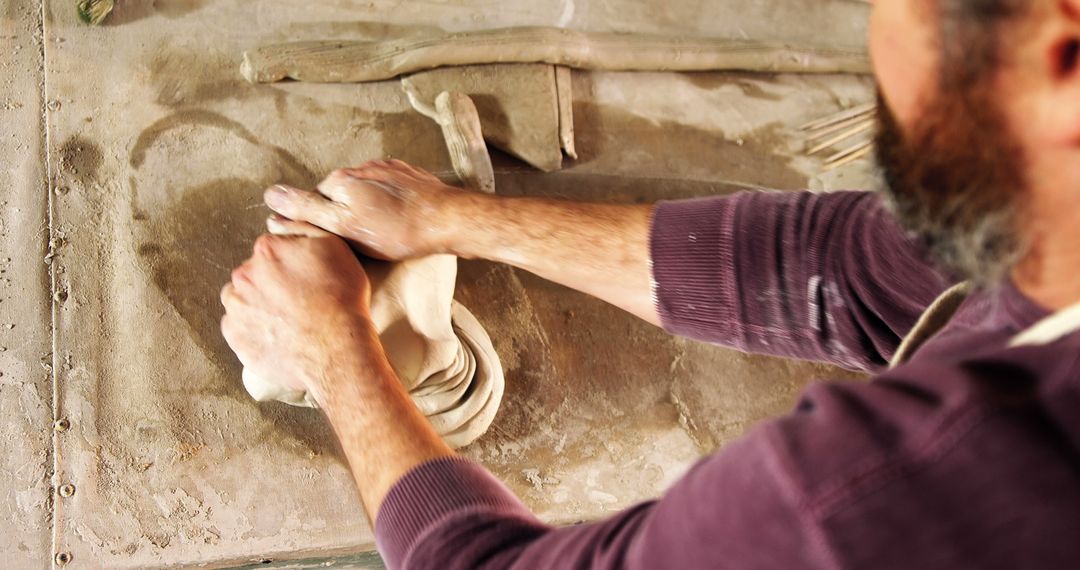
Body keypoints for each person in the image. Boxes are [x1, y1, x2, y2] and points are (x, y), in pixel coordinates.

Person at [219, 0, 1080, 567]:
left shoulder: (904, 492)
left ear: (1060, 47)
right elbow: (854, 272)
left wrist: (333, 350)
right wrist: (454, 219)